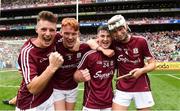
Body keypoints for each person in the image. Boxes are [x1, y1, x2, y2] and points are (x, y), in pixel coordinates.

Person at [15, 11, 64, 111]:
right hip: (30, 104)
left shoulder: (55, 38)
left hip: (49, 98)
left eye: (51, 30)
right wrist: (52, 67)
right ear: (36, 29)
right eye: (43, 29)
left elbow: (73, 38)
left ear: (56, 31)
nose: (47, 33)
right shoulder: (28, 52)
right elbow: (33, 89)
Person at [107, 15, 156, 111]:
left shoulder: (141, 41)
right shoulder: (113, 43)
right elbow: (92, 42)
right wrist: (102, 49)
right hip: (122, 87)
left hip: (142, 86)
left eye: (120, 29)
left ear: (126, 26)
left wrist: (141, 70)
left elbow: (153, 64)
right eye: (115, 32)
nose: (119, 34)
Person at [74, 25, 115, 111]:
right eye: (102, 36)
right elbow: (76, 76)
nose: (105, 39)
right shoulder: (89, 55)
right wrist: (81, 77)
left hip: (109, 102)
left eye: (108, 36)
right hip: (91, 103)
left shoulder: (114, 53)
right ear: (97, 38)